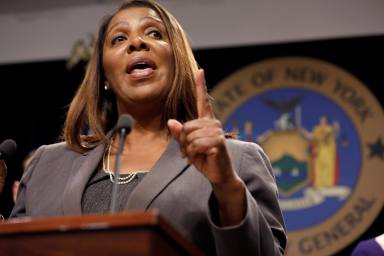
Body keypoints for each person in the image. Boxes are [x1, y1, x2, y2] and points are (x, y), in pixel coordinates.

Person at [10, 1, 287, 255]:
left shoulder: (236, 161)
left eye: (154, 33)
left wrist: (227, 187)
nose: (137, 43)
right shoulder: (47, 166)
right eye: (119, 38)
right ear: (104, 75)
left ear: (176, 60)